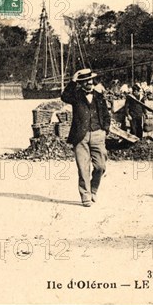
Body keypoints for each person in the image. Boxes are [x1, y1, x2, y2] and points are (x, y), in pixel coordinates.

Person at [61, 69, 111, 207]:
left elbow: (107, 115)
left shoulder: (99, 96)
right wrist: (72, 81)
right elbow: (64, 96)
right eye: (85, 81)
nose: (89, 83)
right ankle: (85, 196)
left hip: (97, 134)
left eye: (90, 80)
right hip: (80, 136)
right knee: (83, 168)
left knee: (100, 166)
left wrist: (104, 130)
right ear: (81, 83)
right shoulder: (75, 96)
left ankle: (94, 189)